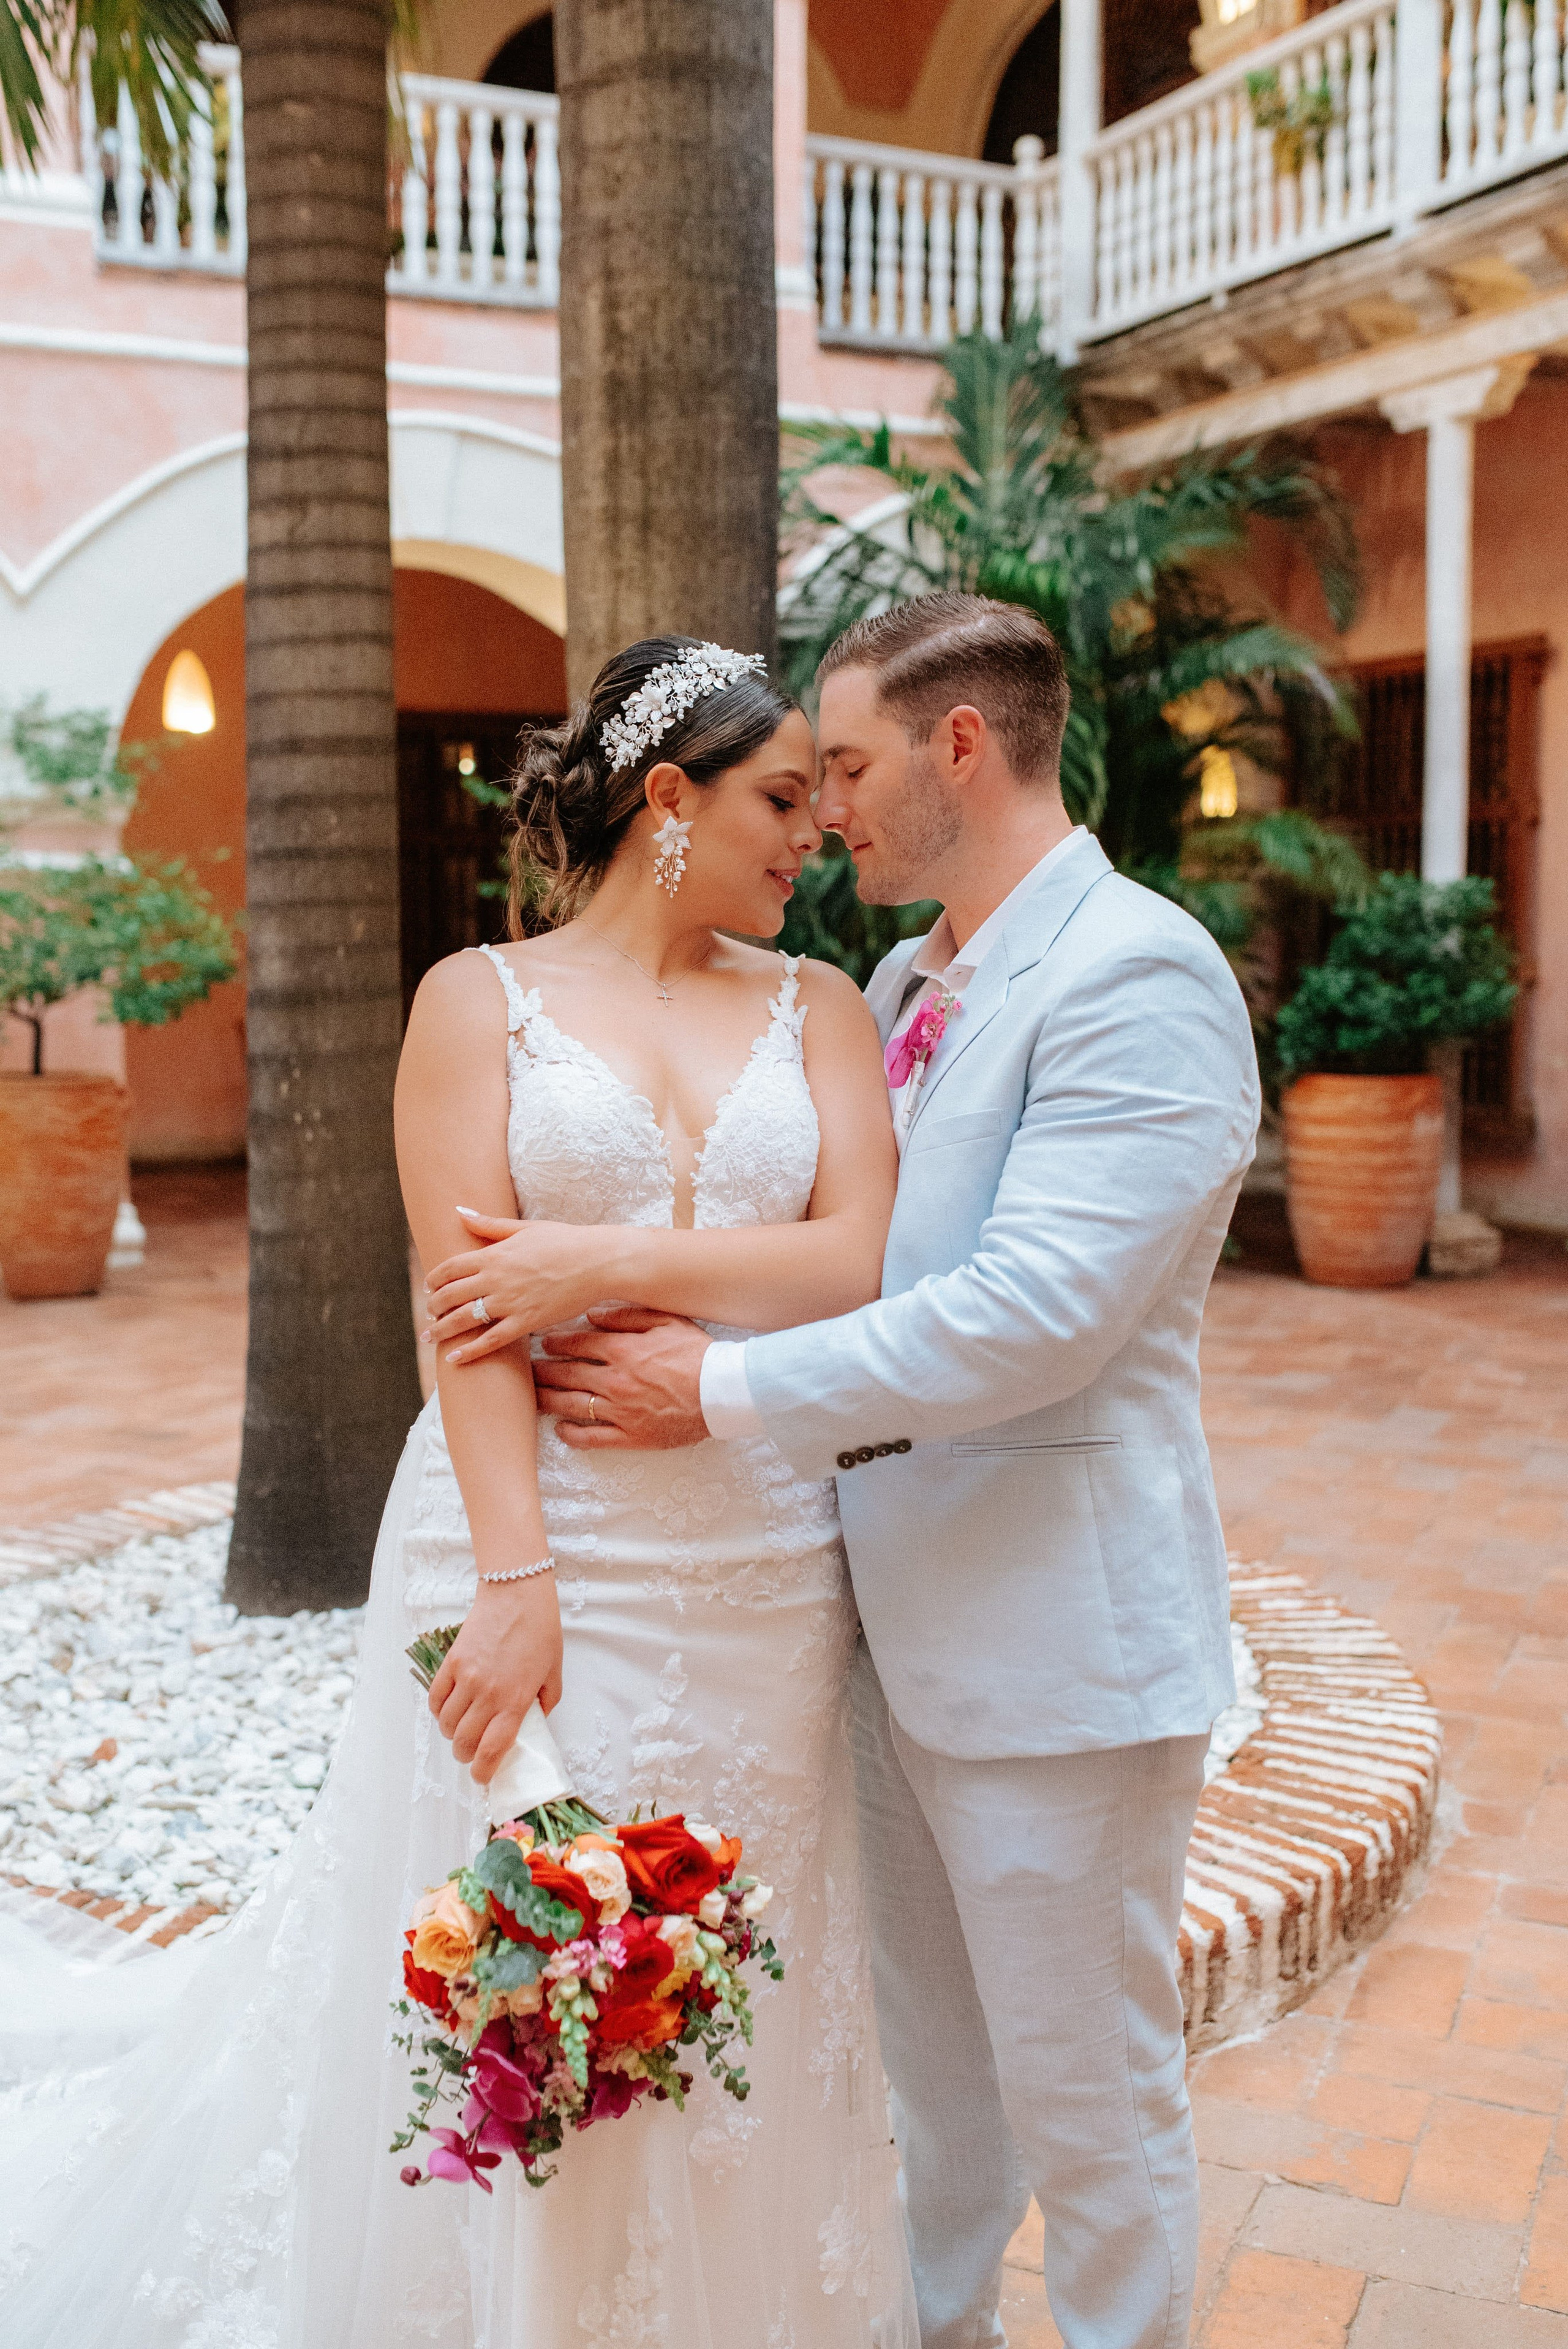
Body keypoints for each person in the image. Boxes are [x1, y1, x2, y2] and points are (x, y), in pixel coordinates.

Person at [0, 637, 919, 2347]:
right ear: (670, 799)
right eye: (784, 797)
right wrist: (514, 1577)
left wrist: (606, 1255)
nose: (816, 831)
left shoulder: (826, 1010)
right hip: (532, 1542)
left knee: (743, 1969)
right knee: (540, 1972)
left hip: (760, 1568)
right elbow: (471, 1320)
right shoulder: (473, 1002)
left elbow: (857, 1259)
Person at [426, 592, 1262, 2349]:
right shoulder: (900, 986)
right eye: (798, 788)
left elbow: (1029, 1316)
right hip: (866, 1637)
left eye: (853, 770)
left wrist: (715, 1386)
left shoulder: (1138, 973)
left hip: (1055, 1656)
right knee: (934, 2106)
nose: (829, 817)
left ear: (962, 746)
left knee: (1093, 2110)